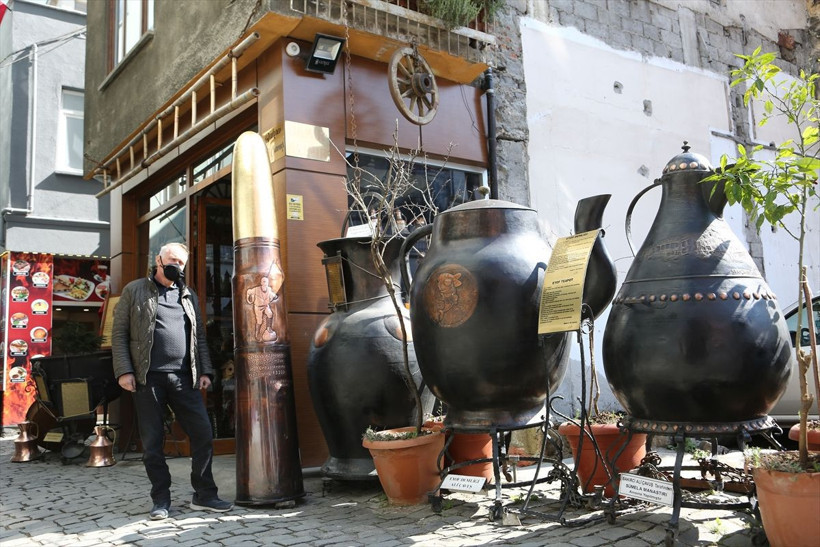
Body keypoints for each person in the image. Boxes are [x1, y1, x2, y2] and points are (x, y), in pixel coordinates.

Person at [112, 242, 232, 520]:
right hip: (147, 378)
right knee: (153, 443)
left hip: (184, 377)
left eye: (180, 262)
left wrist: (204, 371)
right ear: (158, 259)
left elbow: (199, 336)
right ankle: (161, 500)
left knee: (203, 434)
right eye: (172, 260)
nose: (175, 265)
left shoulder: (188, 295)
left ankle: (204, 495)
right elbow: (119, 335)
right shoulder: (134, 290)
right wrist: (124, 371)